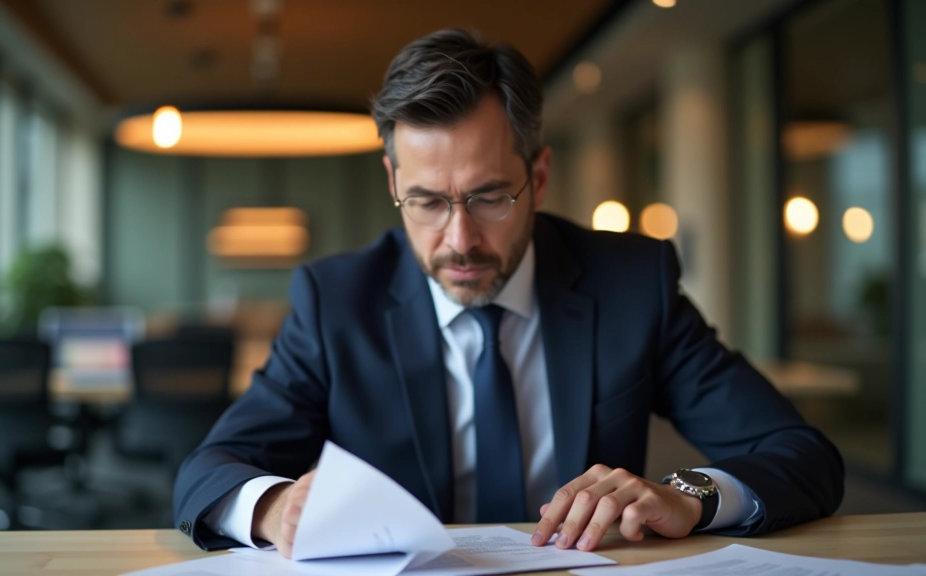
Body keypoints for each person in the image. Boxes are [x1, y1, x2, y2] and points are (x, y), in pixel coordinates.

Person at [173, 29, 844, 557]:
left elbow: (802, 454)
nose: (459, 239)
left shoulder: (633, 284)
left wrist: (691, 493)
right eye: (427, 201)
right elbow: (209, 469)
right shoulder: (335, 301)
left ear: (540, 176)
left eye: (490, 196)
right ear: (393, 183)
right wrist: (270, 507)